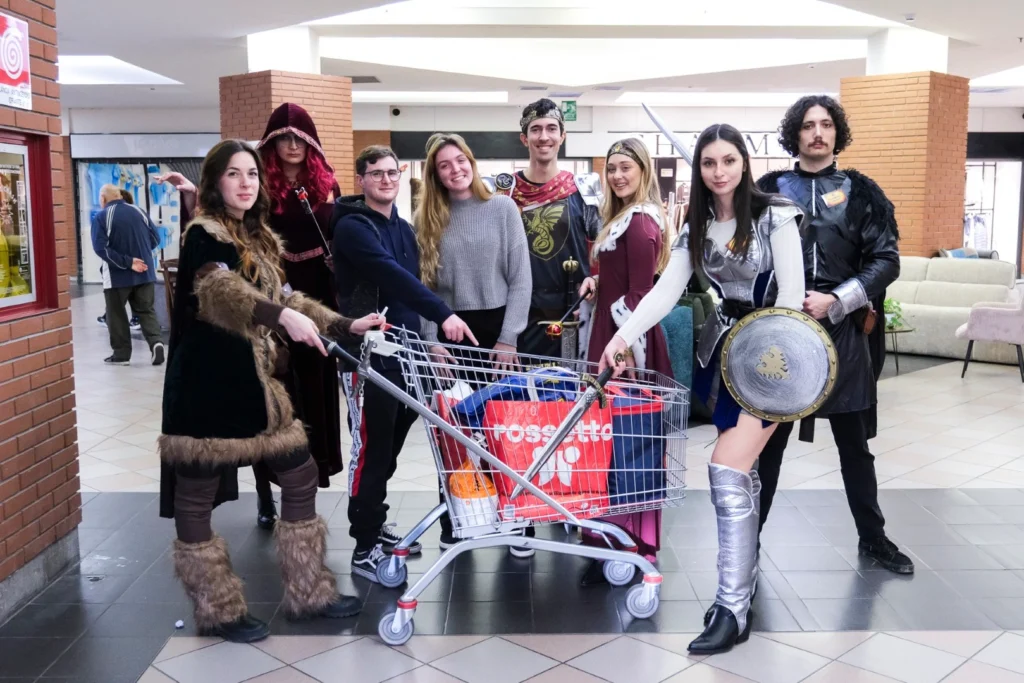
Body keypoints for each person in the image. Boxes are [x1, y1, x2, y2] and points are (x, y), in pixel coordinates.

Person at [158, 139, 383, 642]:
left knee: (300, 475)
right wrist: (280, 316)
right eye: (234, 174)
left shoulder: (257, 236)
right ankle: (218, 610)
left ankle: (309, 593)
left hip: (260, 387)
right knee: (196, 493)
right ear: (216, 182)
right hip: (208, 386)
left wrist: (345, 323)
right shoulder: (205, 234)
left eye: (252, 174)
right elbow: (221, 291)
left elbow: (287, 293)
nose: (245, 183)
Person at [600, 124, 805, 654]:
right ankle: (742, 588)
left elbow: (792, 294)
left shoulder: (775, 214)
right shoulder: (697, 224)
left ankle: (732, 608)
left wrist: (769, 365)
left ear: (744, 162)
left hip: (774, 359)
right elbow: (667, 292)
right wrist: (622, 337)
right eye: (709, 163)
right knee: (745, 476)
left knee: (726, 470)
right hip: (722, 359)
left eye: (728, 161)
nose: (719, 172)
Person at [755, 95, 912, 575]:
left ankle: (874, 538)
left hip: (844, 331)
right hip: (783, 331)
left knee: (854, 447)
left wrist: (837, 299)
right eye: (808, 125)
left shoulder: (862, 192)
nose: (817, 133)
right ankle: (747, 543)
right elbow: (749, 256)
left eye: (825, 125)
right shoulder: (767, 190)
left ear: (836, 132)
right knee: (767, 446)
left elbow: (887, 261)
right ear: (795, 134)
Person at [332, 145, 477, 582]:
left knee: (389, 448)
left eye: (392, 172)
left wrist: (429, 343)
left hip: (406, 354)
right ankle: (364, 544)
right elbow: (391, 276)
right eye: (376, 173)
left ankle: (375, 525)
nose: (386, 180)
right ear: (361, 179)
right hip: (368, 356)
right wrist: (444, 314)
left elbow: (408, 291)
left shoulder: (404, 228)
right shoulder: (353, 228)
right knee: (371, 449)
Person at [414, 133, 531, 549]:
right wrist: (433, 341)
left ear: (471, 161)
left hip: (498, 328)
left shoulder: (502, 208)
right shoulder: (427, 220)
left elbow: (520, 278)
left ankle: (517, 518)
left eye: (459, 160)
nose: (455, 169)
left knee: (506, 430)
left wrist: (509, 339)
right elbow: (423, 288)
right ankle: (458, 517)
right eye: (444, 165)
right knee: (455, 430)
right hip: (450, 331)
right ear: (435, 174)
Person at [576, 138, 673, 585]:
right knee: (616, 440)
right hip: (616, 334)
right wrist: (598, 281)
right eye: (611, 168)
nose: (616, 176)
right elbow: (623, 281)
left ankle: (628, 538)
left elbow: (640, 293)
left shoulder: (638, 223)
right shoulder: (622, 219)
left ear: (642, 170)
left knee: (627, 440)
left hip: (624, 341)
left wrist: (625, 350)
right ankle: (615, 531)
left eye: (625, 168)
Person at [488, 98, 603, 358]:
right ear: (524, 138)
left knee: (571, 394)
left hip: (574, 316)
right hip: (517, 321)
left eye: (551, 128)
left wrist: (595, 285)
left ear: (562, 136)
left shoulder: (583, 190)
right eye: (536, 129)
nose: (544, 136)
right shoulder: (504, 193)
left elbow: (602, 252)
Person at [90, 183, 165, 366]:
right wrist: (140, 258)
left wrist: (129, 262)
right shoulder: (138, 211)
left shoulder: (102, 217)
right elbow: (155, 239)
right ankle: (156, 343)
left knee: (116, 314)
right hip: (145, 273)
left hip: (117, 277)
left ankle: (121, 355)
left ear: (103, 198)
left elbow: (101, 249)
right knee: (146, 310)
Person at [97, 190, 142, 329]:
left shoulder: (115, 217)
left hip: (125, 263)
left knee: (120, 291)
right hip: (135, 261)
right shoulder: (136, 214)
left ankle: (133, 317)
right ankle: (133, 318)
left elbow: (102, 246)